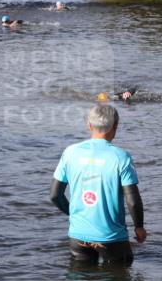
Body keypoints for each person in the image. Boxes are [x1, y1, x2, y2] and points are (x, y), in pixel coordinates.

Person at [50, 105, 147, 265]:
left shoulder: (70, 152)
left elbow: (55, 196)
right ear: (116, 126)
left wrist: (74, 214)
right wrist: (139, 228)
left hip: (78, 237)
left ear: (89, 125)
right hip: (112, 238)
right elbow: (132, 200)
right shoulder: (121, 157)